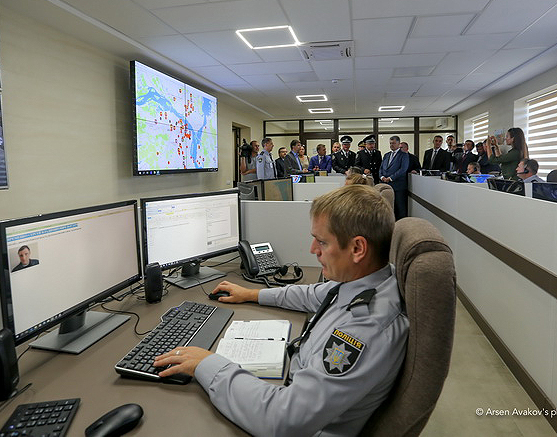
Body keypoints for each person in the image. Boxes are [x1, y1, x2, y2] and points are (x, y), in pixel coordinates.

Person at [153, 185, 407, 436]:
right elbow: (311, 295)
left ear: (357, 249)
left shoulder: (366, 329)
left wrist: (206, 364)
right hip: (297, 387)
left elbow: (282, 420)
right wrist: (251, 294)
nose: (313, 250)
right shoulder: (367, 281)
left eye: (322, 242)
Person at [380, 135, 410, 220]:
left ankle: (401, 225)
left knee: (400, 208)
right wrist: (382, 177)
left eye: (393, 143)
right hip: (386, 186)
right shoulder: (386, 155)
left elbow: (403, 169)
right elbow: (381, 168)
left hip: (398, 186)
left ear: (399, 144)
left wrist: (390, 178)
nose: (391, 145)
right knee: (387, 208)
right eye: (390, 143)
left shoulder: (403, 155)